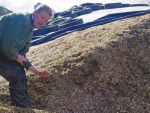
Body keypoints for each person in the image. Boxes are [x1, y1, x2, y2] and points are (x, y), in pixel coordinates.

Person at [0, 4, 54, 108]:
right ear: (34, 12)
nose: (43, 22)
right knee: (17, 75)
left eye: (46, 20)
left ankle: (22, 107)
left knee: (18, 70)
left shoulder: (29, 28)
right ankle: (22, 109)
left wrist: (35, 70)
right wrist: (16, 57)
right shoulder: (23, 20)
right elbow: (8, 47)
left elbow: (22, 54)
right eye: (42, 17)